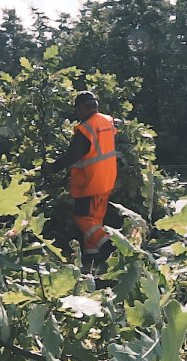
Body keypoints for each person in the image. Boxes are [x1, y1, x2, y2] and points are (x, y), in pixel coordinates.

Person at [42, 91, 118, 272]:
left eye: (77, 109)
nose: (77, 113)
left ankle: (112, 250)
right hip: (106, 179)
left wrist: (52, 168)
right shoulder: (106, 121)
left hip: (91, 183)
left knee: (83, 219)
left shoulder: (86, 128)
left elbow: (73, 155)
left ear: (84, 107)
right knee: (94, 222)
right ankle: (91, 263)